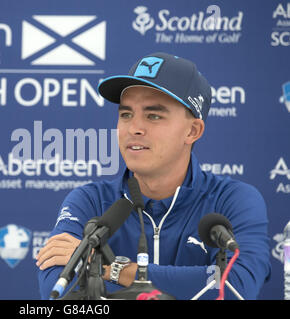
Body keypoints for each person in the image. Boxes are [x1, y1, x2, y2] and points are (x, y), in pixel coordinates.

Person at [35, 52, 271, 300]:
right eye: (126, 114)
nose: (134, 128)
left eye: (153, 115)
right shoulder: (89, 201)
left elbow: (236, 287)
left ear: (192, 130)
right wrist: (186, 285)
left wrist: (111, 270)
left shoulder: (233, 200)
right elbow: (59, 292)